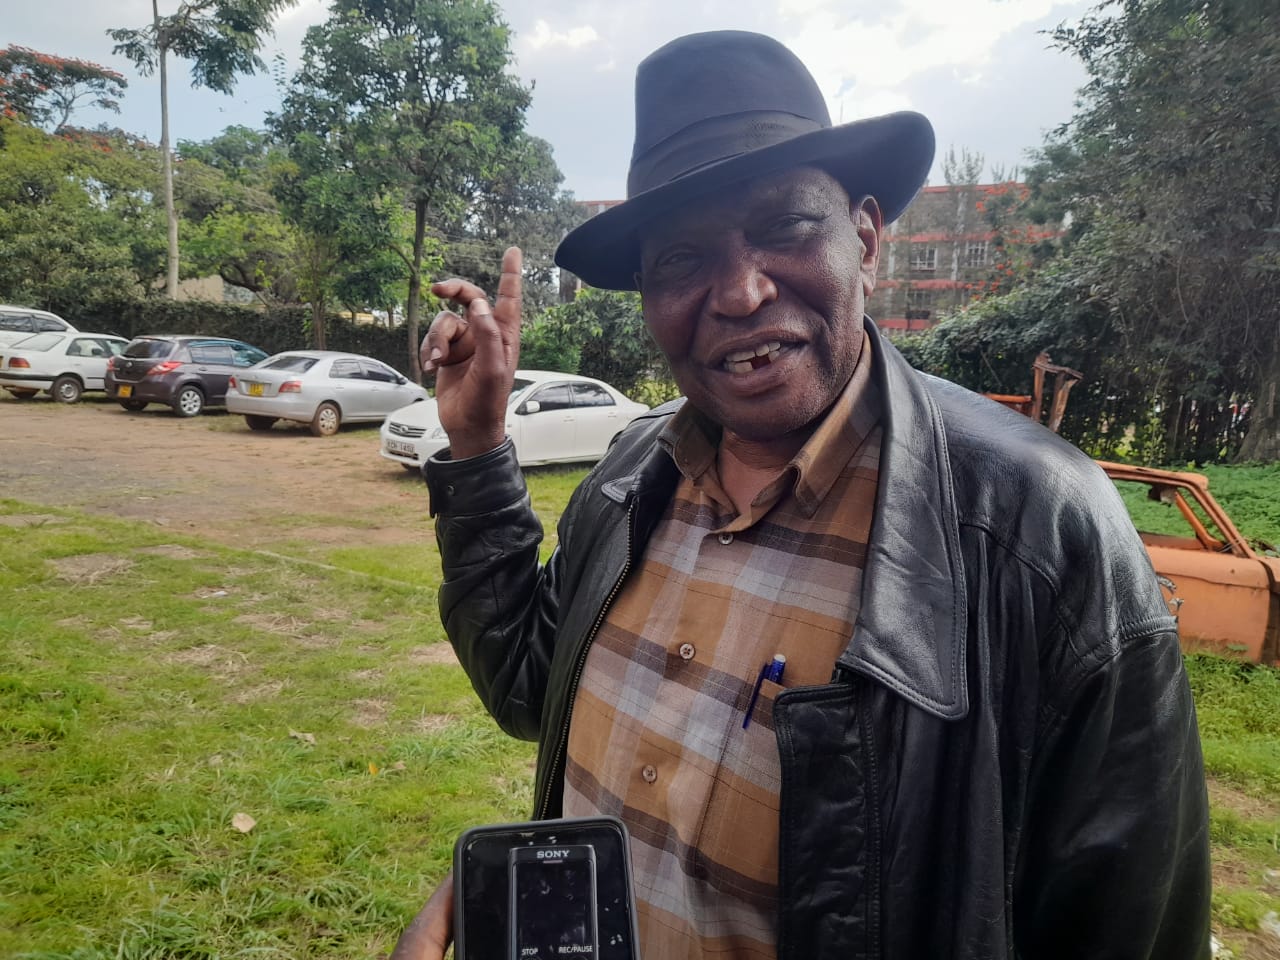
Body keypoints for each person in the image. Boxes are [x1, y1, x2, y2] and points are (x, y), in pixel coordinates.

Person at [392, 30, 1211, 960]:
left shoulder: (1038, 537)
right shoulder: (627, 478)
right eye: (683, 260)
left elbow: (1131, 929)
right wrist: (475, 446)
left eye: (785, 226)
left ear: (865, 239)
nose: (739, 292)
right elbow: (531, 689)